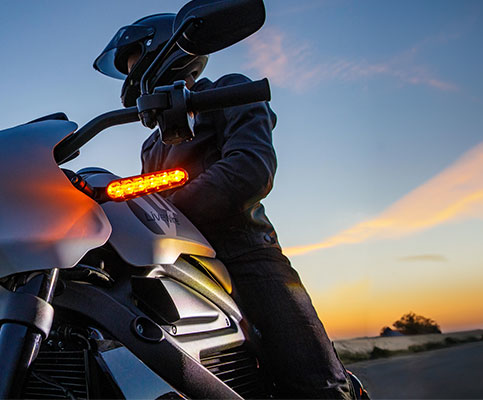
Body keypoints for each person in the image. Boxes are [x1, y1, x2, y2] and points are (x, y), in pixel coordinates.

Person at [94, 12, 351, 399]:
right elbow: (144, 201)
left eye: (133, 61)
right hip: (180, 267)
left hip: (245, 254)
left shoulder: (229, 92)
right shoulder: (153, 146)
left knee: (314, 383)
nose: (131, 74)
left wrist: (167, 212)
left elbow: (251, 167)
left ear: (161, 51)